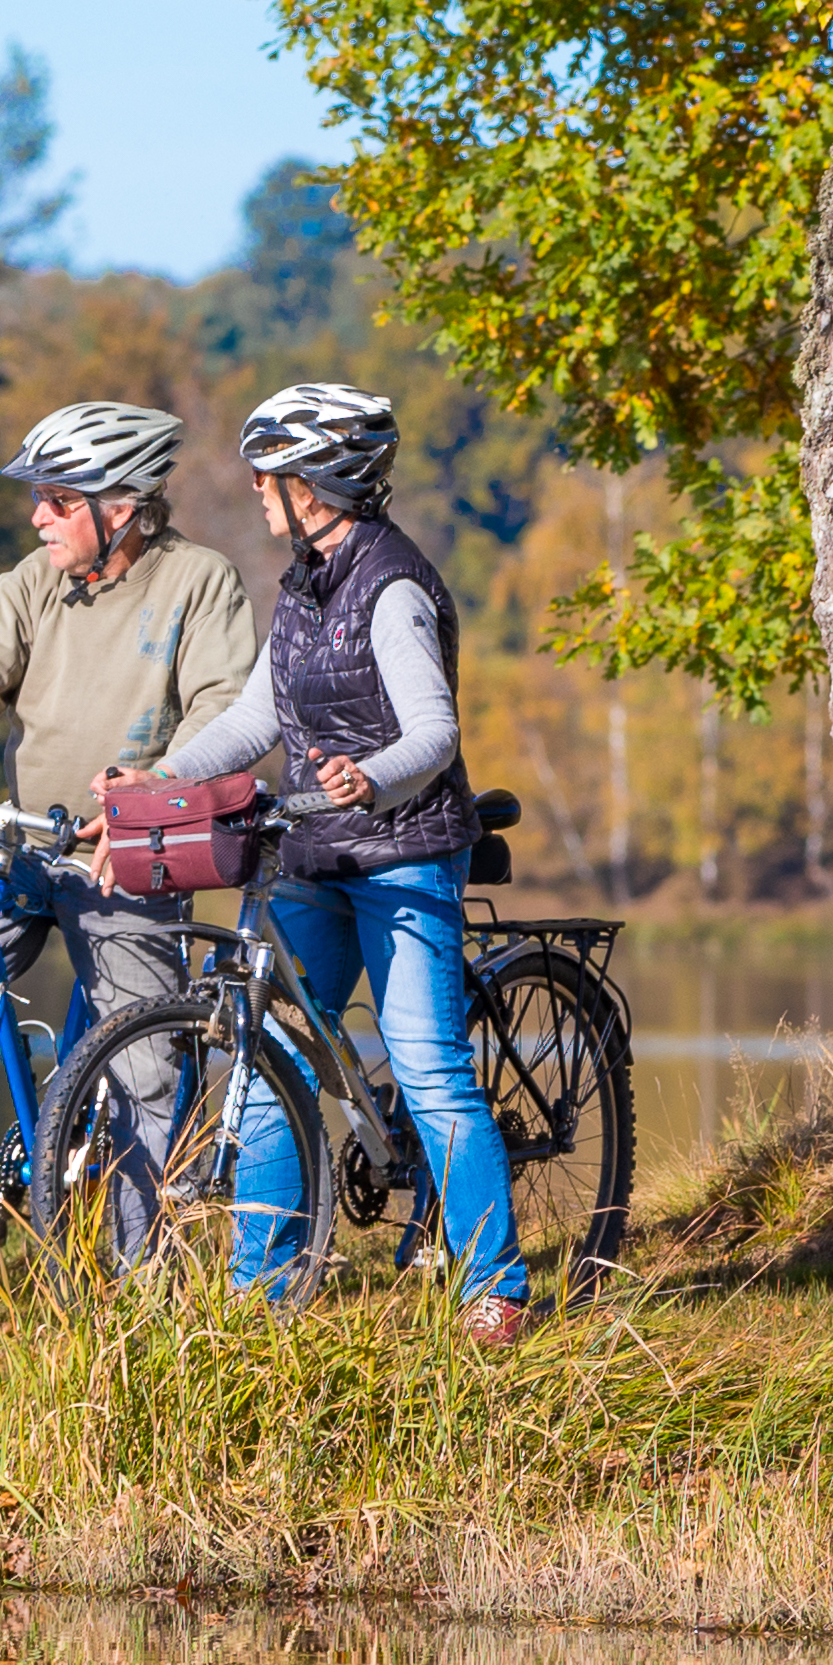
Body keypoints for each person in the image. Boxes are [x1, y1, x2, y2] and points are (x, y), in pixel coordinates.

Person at [142, 380, 535, 1342]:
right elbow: (256, 719)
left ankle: (496, 1288)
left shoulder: (392, 588)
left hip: (405, 855)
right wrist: (163, 776)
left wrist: (371, 777)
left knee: (428, 1067)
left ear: (313, 486)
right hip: (316, 855)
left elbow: (433, 735)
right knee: (272, 1060)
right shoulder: (305, 585)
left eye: (267, 475)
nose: (257, 491)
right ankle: (261, 1293)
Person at [0, 401, 259, 1119]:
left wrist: (156, 787)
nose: (38, 517)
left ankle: (139, 1202)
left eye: (59, 501)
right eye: (38, 498)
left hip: (124, 854)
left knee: (143, 1072)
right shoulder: (33, 581)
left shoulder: (199, 581)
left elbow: (221, 708)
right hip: (23, 843)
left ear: (122, 508)